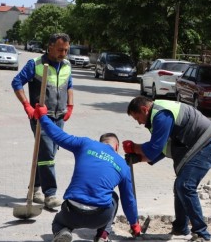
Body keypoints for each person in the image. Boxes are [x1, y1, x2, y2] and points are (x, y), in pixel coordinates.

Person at [33, 104, 142, 242]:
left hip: (71, 211)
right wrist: (134, 225)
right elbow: (129, 200)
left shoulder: (86, 144)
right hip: (99, 216)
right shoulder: (123, 166)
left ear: (100, 142)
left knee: (58, 222)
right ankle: (102, 235)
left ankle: (64, 231)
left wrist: (43, 117)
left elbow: (59, 136)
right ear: (117, 147)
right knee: (113, 197)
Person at [123, 96, 211, 242]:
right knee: (180, 186)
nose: (139, 122)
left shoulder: (161, 115)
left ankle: (202, 234)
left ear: (145, 110)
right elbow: (163, 149)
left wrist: (135, 147)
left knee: (185, 186)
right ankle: (180, 228)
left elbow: (154, 149)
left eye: (137, 118)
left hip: (208, 144)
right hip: (199, 146)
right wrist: (138, 158)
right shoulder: (157, 116)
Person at [11, 33, 74, 210]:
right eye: (61, 49)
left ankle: (35, 189)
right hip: (41, 117)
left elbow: (69, 85)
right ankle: (50, 194)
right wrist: (27, 106)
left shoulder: (67, 65)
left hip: (59, 117)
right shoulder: (36, 64)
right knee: (46, 153)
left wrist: (70, 106)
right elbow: (16, 83)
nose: (64, 53)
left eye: (66, 50)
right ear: (50, 46)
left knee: (49, 153)